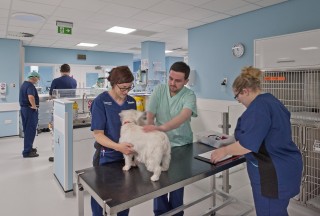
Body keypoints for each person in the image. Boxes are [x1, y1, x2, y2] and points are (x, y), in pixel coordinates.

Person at [211, 66, 303, 216]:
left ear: (245, 91)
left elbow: (247, 145)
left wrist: (224, 150)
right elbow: (264, 135)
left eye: (237, 96)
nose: (239, 101)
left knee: (269, 212)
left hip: (272, 172)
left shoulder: (258, 109)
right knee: (279, 210)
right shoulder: (270, 100)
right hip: (287, 165)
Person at [143, 61, 197, 216]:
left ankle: (176, 213)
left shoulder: (189, 95)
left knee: (177, 184)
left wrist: (160, 128)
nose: (172, 83)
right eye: (171, 78)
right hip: (161, 144)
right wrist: (151, 134)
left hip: (181, 145)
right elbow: (150, 114)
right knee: (158, 183)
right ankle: (160, 213)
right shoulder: (159, 90)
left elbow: (184, 116)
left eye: (178, 80)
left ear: (186, 81)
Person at [90, 66, 136, 216]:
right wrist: (118, 147)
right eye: (123, 88)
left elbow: (133, 128)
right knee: (101, 199)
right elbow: (98, 134)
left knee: (124, 199)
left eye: (129, 88)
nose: (126, 92)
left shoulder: (131, 102)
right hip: (106, 157)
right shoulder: (100, 102)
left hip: (126, 158)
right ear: (113, 83)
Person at [48, 63, 77, 162]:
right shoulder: (74, 81)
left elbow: (51, 94)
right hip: (70, 109)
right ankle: (67, 153)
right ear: (69, 71)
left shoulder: (56, 81)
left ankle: (56, 154)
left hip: (58, 109)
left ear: (60, 71)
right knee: (68, 131)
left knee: (55, 131)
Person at [19, 71, 41, 158]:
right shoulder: (30, 86)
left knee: (27, 129)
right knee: (30, 130)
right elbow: (31, 97)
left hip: (24, 109)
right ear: (34, 77)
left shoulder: (24, 84)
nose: (37, 80)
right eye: (37, 78)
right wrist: (34, 106)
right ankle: (27, 152)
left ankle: (29, 148)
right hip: (29, 110)